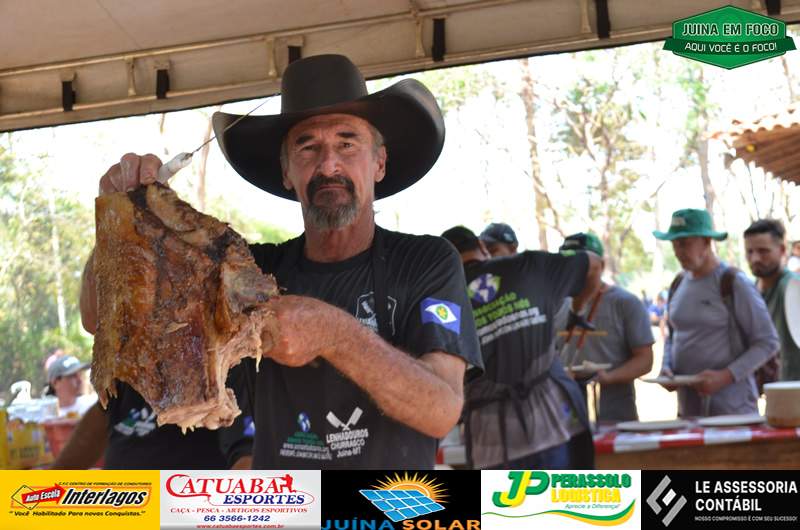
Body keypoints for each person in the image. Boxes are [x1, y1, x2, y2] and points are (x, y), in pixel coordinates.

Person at [74, 54, 482, 470]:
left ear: (379, 162)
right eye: (308, 146)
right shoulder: (246, 272)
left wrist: (335, 334)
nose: (328, 164)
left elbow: (442, 409)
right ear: (287, 172)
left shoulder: (426, 263)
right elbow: (100, 318)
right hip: (283, 503)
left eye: (347, 143)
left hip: (387, 502)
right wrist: (120, 222)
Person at [441, 225, 602, 469]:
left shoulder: (442, 300)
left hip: (491, 441)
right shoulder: (528, 266)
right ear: (481, 246)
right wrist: (577, 310)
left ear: (445, 261)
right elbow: (594, 264)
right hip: (552, 423)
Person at [654, 208, 779, 417]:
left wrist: (725, 376)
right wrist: (667, 367)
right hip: (688, 411)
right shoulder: (678, 283)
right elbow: (673, 335)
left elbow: (768, 342)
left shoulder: (733, 282)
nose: (677, 251)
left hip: (732, 411)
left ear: (706, 241)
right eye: (674, 244)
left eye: (684, 243)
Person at [556, 232, 654, 423]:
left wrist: (610, 377)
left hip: (616, 415)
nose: (573, 269)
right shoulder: (556, 303)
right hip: (566, 416)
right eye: (567, 262)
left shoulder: (626, 303)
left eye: (582, 263)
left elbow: (645, 360)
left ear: (600, 265)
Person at [744, 219, 800, 381]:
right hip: (772, 390)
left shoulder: (792, 286)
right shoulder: (751, 290)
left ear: (782, 250)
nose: (755, 258)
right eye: (750, 252)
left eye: (763, 251)